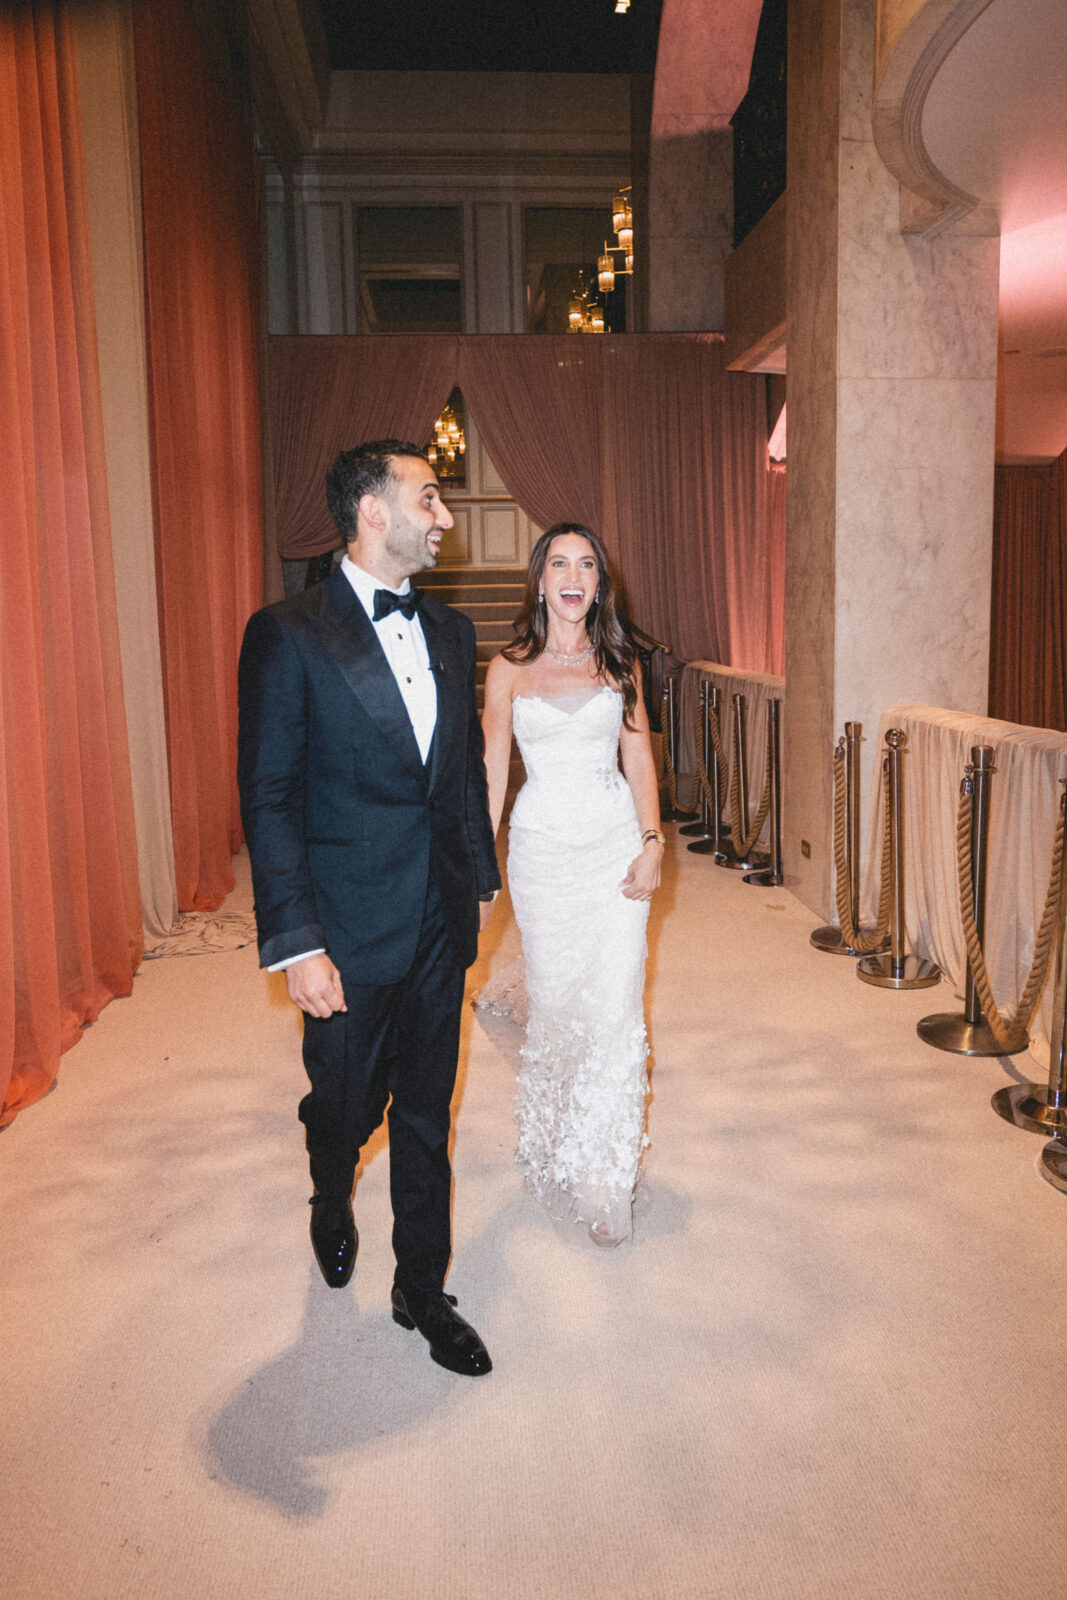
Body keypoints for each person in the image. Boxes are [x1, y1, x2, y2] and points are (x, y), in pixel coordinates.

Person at [237, 440, 500, 1377]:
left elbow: (457, 771)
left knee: (427, 1111)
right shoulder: (288, 633)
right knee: (346, 1105)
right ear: (373, 513)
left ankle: (420, 1291)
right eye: (430, 497)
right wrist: (295, 941)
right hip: (343, 929)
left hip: (437, 918)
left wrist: (479, 879)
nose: (446, 517)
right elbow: (268, 799)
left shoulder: (453, 632)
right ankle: (327, 1189)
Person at [481, 524, 664, 1247]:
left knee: (616, 1008)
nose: (573, 574)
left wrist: (653, 843)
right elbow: (493, 770)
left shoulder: (620, 664)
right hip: (541, 856)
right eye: (559, 561)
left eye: (586, 564)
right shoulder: (507, 668)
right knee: (557, 1006)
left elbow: (639, 760)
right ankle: (559, 1140)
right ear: (539, 579)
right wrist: (479, 865)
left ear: (597, 584)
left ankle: (606, 1174)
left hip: (614, 849)